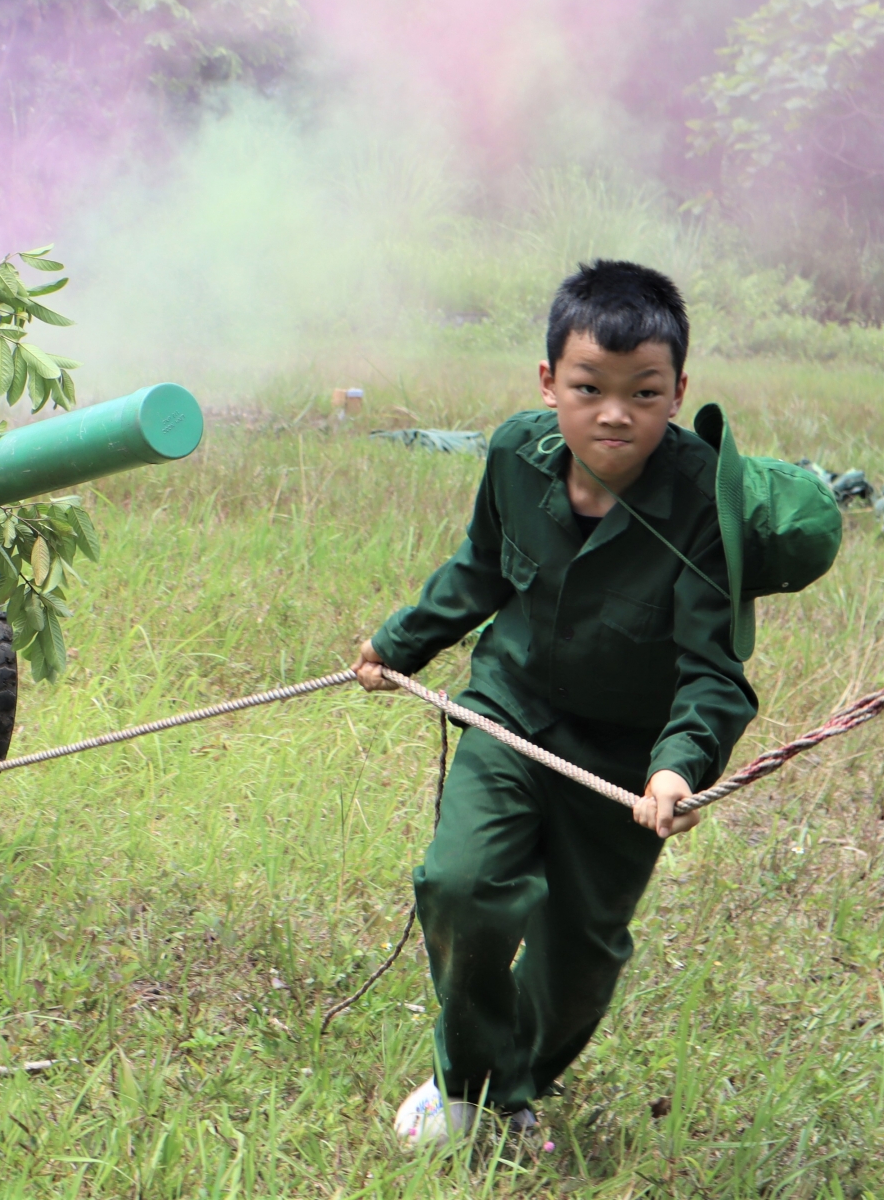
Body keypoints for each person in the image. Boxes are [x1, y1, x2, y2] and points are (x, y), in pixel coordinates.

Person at [357, 261, 756, 1148]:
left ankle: (514, 1082)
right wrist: (400, 641)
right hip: (511, 711)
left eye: (644, 392)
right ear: (550, 383)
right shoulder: (512, 454)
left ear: (679, 391)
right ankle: (469, 1088)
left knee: (580, 958)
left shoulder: (700, 502)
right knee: (462, 884)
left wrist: (677, 763)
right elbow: (480, 569)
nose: (615, 413)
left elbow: (713, 669)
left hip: (624, 756)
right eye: (589, 388)